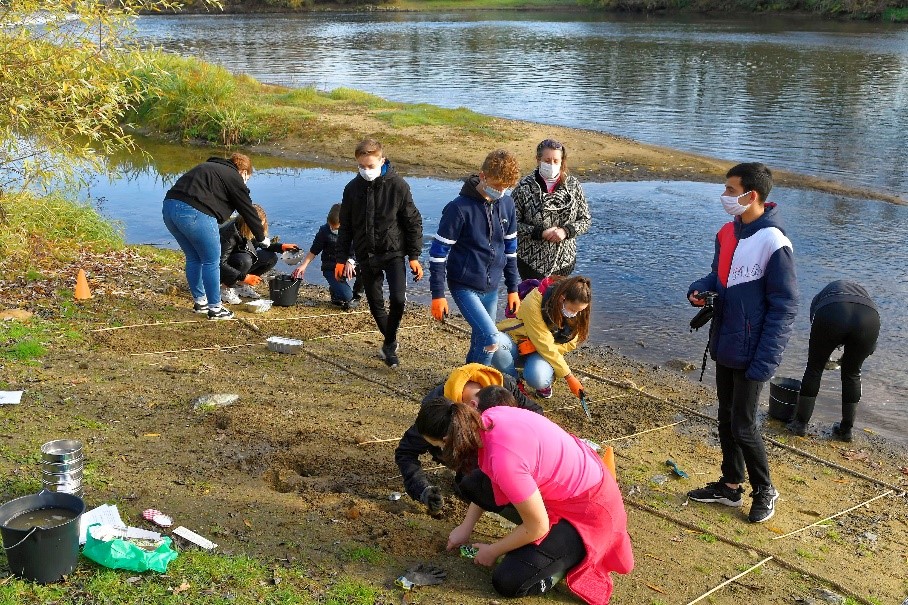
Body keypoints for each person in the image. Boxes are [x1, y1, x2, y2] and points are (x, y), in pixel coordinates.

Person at [416, 400, 633, 603]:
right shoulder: (487, 418)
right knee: (471, 482)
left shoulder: (505, 462)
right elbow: (492, 477)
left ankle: (563, 562)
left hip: (590, 511)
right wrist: (466, 527)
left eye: (436, 446)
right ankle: (548, 545)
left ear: (446, 440)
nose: (439, 452)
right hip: (568, 486)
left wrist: (493, 551)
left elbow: (538, 526)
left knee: (508, 581)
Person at [686, 162, 798, 524]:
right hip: (725, 343)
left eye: (731, 191)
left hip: (753, 354)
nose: (725, 197)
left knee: (744, 425)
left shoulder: (774, 242)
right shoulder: (727, 232)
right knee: (725, 418)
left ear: (752, 196)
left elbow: (785, 307)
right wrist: (700, 289)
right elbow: (720, 277)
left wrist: (766, 362)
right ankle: (731, 486)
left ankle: (765, 490)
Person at [395, 363, 543, 515]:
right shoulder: (438, 413)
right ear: (472, 406)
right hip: (470, 462)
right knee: (471, 487)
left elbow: (537, 415)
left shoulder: (505, 390)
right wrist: (422, 489)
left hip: (512, 460)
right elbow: (406, 451)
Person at [336, 139, 423, 368]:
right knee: (375, 303)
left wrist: (414, 256)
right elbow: (345, 227)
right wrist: (341, 258)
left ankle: (389, 342)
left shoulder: (399, 186)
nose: (366, 171)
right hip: (365, 254)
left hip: (393, 252)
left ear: (382, 161)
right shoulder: (351, 189)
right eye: (361, 167)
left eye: (370, 166)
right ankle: (390, 343)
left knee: (397, 298)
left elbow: (413, 222)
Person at [429, 149, 521, 365]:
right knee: (490, 338)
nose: (501, 191)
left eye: (505, 187)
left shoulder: (507, 205)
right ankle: (472, 382)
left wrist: (513, 289)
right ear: (483, 176)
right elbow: (438, 254)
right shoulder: (458, 209)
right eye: (497, 185)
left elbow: (511, 250)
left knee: (481, 338)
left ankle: (476, 386)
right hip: (464, 285)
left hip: (491, 287)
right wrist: (437, 294)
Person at [162, 153, 264, 320]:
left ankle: (200, 303)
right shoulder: (233, 176)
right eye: (247, 178)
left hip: (169, 209)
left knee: (194, 258)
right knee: (212, 261)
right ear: (244, 172)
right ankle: (215, 308)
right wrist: (261, 237)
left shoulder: (208, 168)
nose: (245, 182)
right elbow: (247, 209)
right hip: (196, 213)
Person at [787, 280, 880, 442]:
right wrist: (848, 357)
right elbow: (870, 348)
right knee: (853, 373)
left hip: (833, 312)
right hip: (870, 318)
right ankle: (846, 431)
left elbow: (818, 331)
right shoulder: (864, 296)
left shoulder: (819, 300)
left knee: (814, 369)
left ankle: (800, 424)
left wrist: (824, 354)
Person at [493, 275, 591, 400]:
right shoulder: (534, 302)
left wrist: (535, 347)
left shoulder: (580, 310)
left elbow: (571, 343)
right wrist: (569, 377)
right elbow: (543, 340)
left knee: (538, 378)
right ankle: (514, 382)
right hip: (516, 343)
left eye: (579, 311)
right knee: (495, 341)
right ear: (562, 298)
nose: (574, 314)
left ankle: (544, 382)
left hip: (541, 352)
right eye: (572, 309)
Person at [510, 139, 591, 280]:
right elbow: (509, 225)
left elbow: (585, 220)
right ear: (538, 160)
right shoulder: (524, 187)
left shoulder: (573, 186)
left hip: (564, 261)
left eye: (555, 161)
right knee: (532, 301)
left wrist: (566, 231)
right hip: (531, 262)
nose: (552, 165)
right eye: (547, 160)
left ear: (562, 161)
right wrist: (539, 233)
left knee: (558, 301)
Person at [219, 204, 299, 304]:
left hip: (238, 261)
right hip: (220, 270)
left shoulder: (251, 230)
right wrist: (244, 276)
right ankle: (225, 289)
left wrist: (281, 247)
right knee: (245, 260)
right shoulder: (230, 233)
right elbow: (220, 263)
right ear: (248, 222)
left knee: (271, 257)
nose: (259, 229)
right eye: (258, 225)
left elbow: (264, 244)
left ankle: (241, 285)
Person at [291, 203, 363, 310]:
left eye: (336, 228)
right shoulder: (324, 231)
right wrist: (303, 265)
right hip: (332, 267)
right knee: (347, 297)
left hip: (349, 264)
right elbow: (313, 251)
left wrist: (351, 261)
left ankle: (357, 295)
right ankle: (336, 291)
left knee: (368, 267)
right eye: (331, 227)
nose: (333, 230)